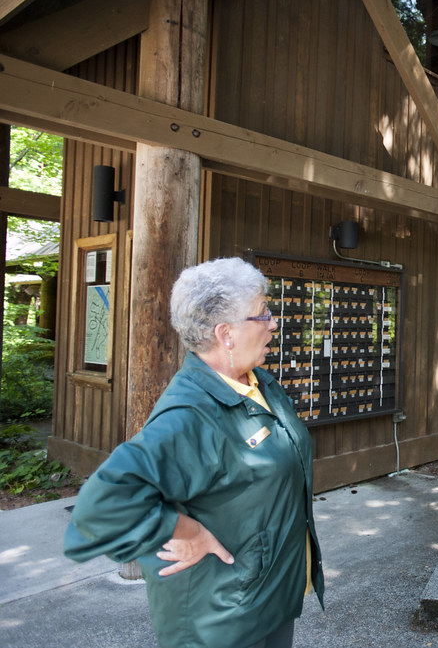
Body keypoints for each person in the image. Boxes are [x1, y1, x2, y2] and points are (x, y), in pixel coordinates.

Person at [65, 257, 324, 648]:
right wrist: (189, 531)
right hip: (221, 617)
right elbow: (104, 503)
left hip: (270, 595)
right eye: (262, 313)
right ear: (227, 334)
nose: (273, 322)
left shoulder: (259, 383)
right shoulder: (190, 414)